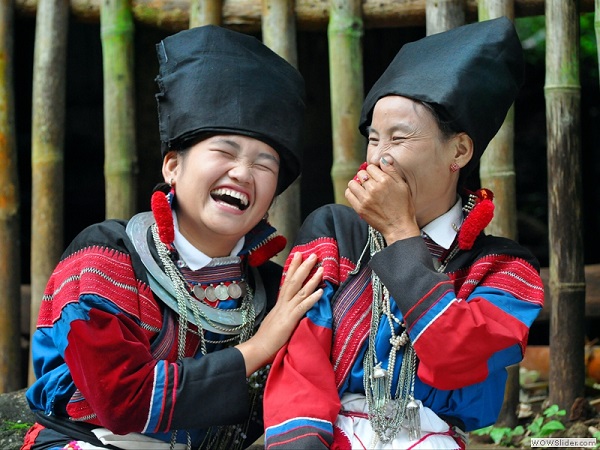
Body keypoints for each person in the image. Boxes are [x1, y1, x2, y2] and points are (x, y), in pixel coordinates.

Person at [22, 25, 323, 450]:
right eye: (225, 150)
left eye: (264, 163)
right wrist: (261, 345)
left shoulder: (275, 292)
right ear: (172, 167)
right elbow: (122, 400)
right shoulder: (108, 259)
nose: (242, 172)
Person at [263, 17, 544, 450]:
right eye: (374, 139)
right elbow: (300, 358)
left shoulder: (505, 269)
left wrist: (400, 231)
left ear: (459, 150)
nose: (380, 157)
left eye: (399, 137)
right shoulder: (334, 232)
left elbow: (457, 360)